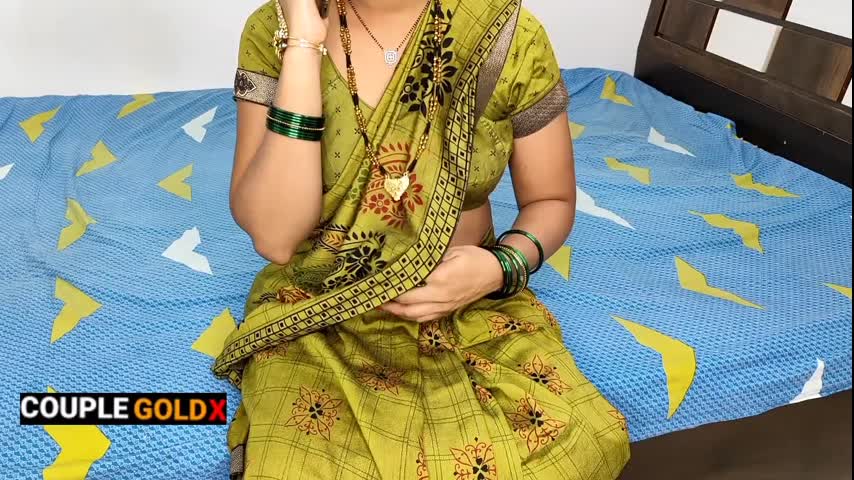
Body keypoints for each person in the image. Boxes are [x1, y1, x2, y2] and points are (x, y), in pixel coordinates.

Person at [217, 0, 630, 477]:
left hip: (470, 306)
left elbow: (551, 200)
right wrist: (304, 45)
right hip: (320, 308)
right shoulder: (276, 28)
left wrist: (498, 268)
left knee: (579, 446)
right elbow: (274, 238)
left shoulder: (505, 33)